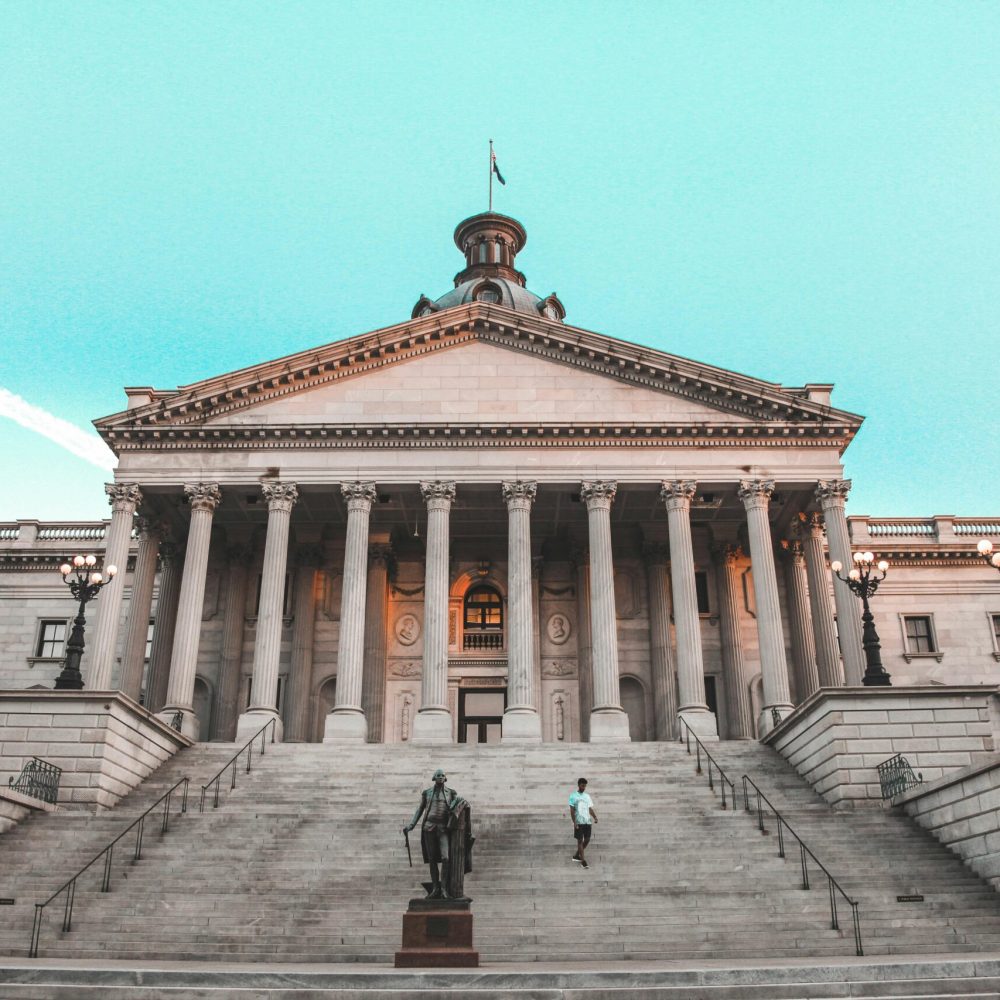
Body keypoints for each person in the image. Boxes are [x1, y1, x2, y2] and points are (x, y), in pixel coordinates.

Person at [403, 768, 473, 899]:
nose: (440, 777)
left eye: (442, 775)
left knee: (446, 858)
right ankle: (435, 888)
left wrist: (461, 803)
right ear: (434, 778)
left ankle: (444, 888)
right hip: (429, 827)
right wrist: (411, 825)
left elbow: (456, 807)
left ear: (445, 779)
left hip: (443, 829)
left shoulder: (451, 793)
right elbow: (420, 810)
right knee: (432, 859)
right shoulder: (427, 793)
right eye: (438, 775)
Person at [568, 777, 597, 868]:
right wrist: (574, 822)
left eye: (585, 786)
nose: (583, 787)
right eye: (582, 785)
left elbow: (589, 808)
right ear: (579, 785)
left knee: (587, 839)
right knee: (580, 840)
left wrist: (595, 817)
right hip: (579, 822)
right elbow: (572, 810)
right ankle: (583, 861)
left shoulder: (587, 796)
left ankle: (577, 855)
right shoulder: (573, 796)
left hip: (587, 822)